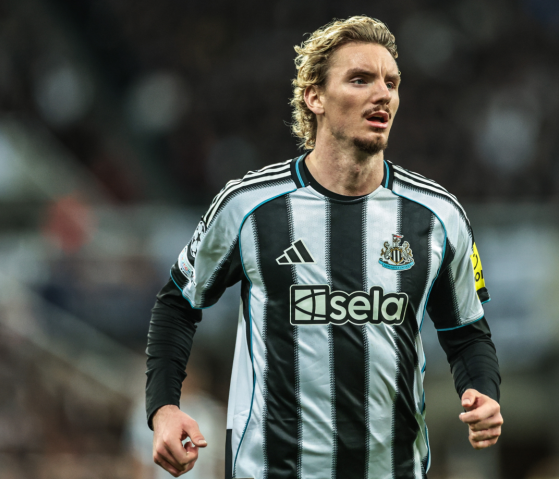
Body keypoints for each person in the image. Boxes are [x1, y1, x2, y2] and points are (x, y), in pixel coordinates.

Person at [145, 16, 502, 479]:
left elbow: (467, 332)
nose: (383, 94)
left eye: (391, 83)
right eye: (360, 79)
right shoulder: (248, 206)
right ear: (315, 97)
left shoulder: (439, 216)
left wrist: (483, 392)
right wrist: (164, 409)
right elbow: (178, 303)